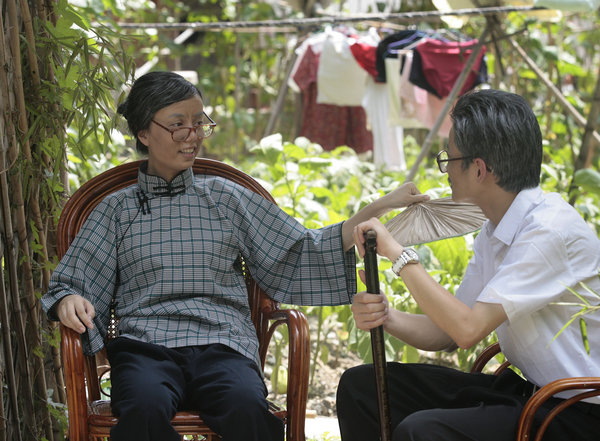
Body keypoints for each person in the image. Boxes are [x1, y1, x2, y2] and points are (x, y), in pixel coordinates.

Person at [41, 71, 429, 441]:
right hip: (145, 347)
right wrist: (69, 299)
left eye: (199, 123)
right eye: (178, 124)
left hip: (223, 345)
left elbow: (302, 247)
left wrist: (382, 205)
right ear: (144, 132)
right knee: (142, 408)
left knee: (247, 407)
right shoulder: (116, 209)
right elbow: (73, 282)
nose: (192, 136)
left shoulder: (227, 198)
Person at [337, 89, 600, 441]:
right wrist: (385, 314)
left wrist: (399, 255)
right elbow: (445, 332)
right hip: (529, 394)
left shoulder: (549, 231)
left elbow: (466, 329)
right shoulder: (495, 229)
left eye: (449, 158)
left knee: (422, 432)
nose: (444, 169)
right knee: (361, 387)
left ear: (478, 169)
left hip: (576, 412)